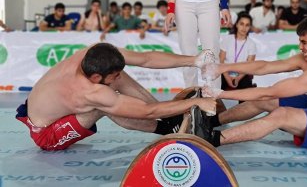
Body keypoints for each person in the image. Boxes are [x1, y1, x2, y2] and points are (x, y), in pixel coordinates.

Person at [201, 13, 307, 149]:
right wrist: (223, 67)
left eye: (304, 42)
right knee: (269, 101)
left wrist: (220, 93)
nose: (300, 47)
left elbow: (268, 92)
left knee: (281, 114)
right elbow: (265, 67)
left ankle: (210, 139)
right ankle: (210, 122)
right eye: (300, 41)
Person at [16, 43, 217, 151]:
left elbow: (146, 58)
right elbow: (147, 111)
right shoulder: (88, 92)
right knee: (102, 104)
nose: (118, 77)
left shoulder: (95, 53)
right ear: (95, 77)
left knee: (115, 77)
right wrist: (196, 101)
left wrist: (195, 60)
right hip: (46, 132)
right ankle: (166, 127)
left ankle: (171, 119)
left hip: (46, 105)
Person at [220, 12, 256, 98]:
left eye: (247, 25)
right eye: (242, 24)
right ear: (236, 25)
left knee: (246, 91)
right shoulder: (227, 39)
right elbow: (221, 61)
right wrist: (228, 78)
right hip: (225, 73)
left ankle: (243, 109)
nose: (244, 28)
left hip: (242, 74)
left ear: (250, 27)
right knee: (216, 83)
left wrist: (238, 78)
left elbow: (249, 66)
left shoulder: (251, 44)